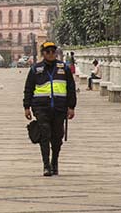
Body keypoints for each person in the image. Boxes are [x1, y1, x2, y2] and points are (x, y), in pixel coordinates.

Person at [23, 41, 77, 177]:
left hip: (59, 108)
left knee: (57, 137)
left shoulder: (63, 68)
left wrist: (71, 107)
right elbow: (28, 88)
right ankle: (46, 165)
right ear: (43, 53)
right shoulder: (36, 69)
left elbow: (71, 88)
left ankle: (55, 162)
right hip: (41, 108)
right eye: (48, 51)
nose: (51, 54)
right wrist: (26, 107)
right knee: (44, 136)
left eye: (53, 51)